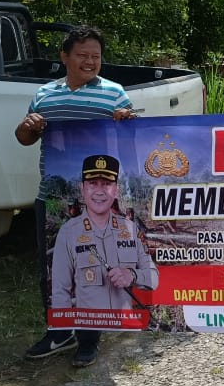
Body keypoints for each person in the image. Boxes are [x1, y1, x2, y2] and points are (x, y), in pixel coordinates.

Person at [15, 25, 135, 361]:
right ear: (64, 56)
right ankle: (58, 332)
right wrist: (26, 127)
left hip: (97, 202)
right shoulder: (45, 95)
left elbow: (131, 138)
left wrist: (127, 121)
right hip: (51, 197)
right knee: (53, 268)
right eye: (82, 55)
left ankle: (88, 338)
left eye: (95, 56)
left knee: (92, 268)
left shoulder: (114, 94)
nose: (90, 61)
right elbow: (25, 138)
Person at [51, 154, 159, 367]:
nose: (100, 191)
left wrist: (132, 275)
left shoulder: (129, 228)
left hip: (128, 328)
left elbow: (154, 277)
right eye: (93, 183)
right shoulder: (68, 232)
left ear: (116, 190)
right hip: (89, 328)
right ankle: (87, 342)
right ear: (82, 189)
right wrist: (63, 329)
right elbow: (60, 289)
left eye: (107, 184)